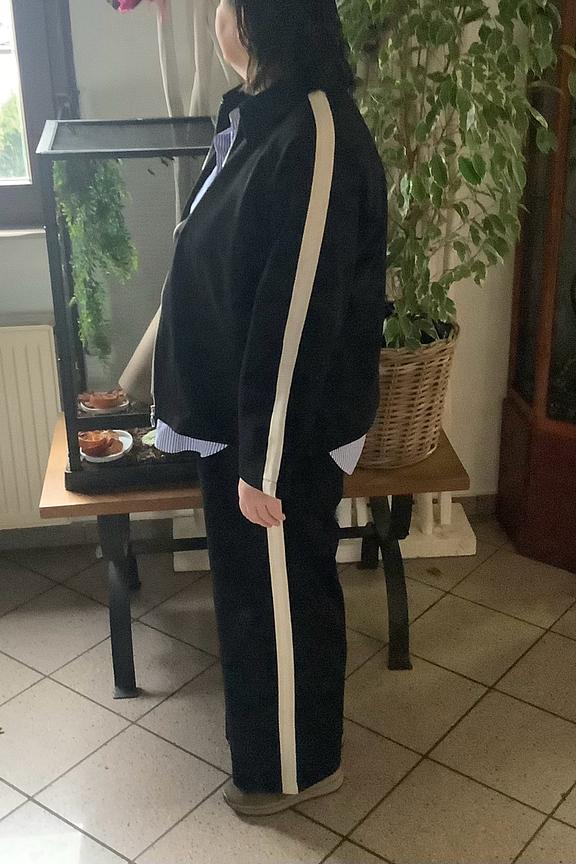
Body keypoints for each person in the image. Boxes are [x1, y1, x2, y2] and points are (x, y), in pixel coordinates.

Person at [151, 0, 387, 816]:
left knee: (282, 607)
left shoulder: (315, 135)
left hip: (282, 437)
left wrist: (266, 464)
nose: (216, 15)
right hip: (245, 426)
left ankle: (297, 769)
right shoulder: (262, 116)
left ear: (263, 17)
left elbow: (298, 317)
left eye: (226, 2)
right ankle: (269, 753)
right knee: (255, 602)